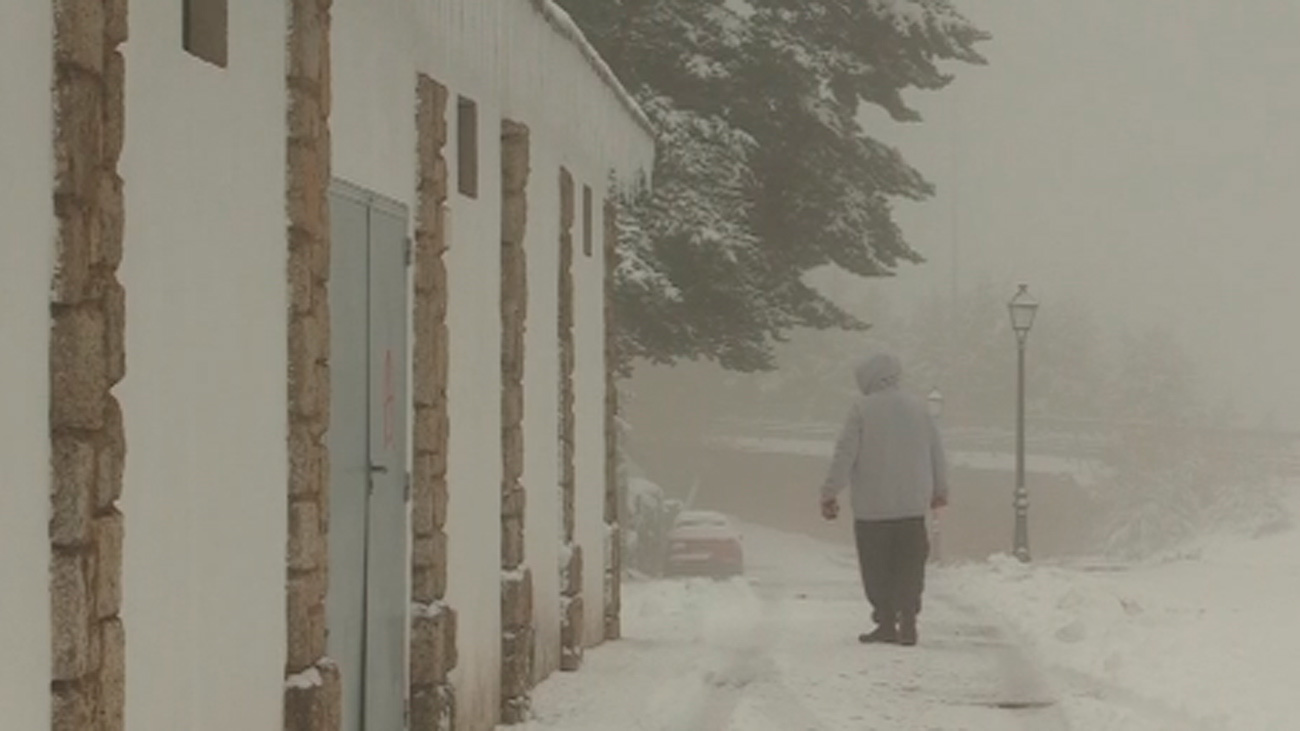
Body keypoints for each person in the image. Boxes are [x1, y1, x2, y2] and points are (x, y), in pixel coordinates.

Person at [819, 350, 949, 647]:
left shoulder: (862, 409)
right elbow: (936, 452)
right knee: (910, 565)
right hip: (912, 506)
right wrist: (940, 490)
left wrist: (830, 493)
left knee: (877, 567)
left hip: (872, 509)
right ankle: (909, 619)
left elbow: (845, 454)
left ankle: (887, 621)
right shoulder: (919, 409)